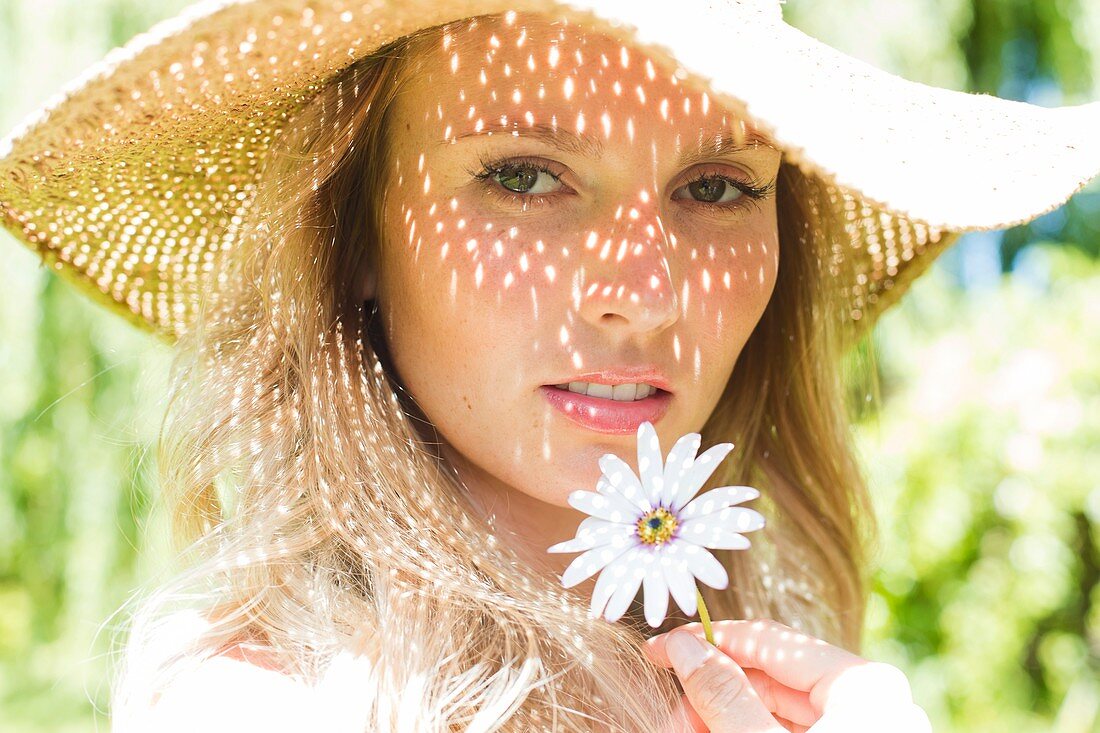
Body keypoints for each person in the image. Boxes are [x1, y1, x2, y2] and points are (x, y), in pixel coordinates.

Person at [1, 1, 1097, 731]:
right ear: (353, 238)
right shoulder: (271, 701)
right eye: (524, 177)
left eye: (715, 187)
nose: (641, 288)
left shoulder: (783, 675)